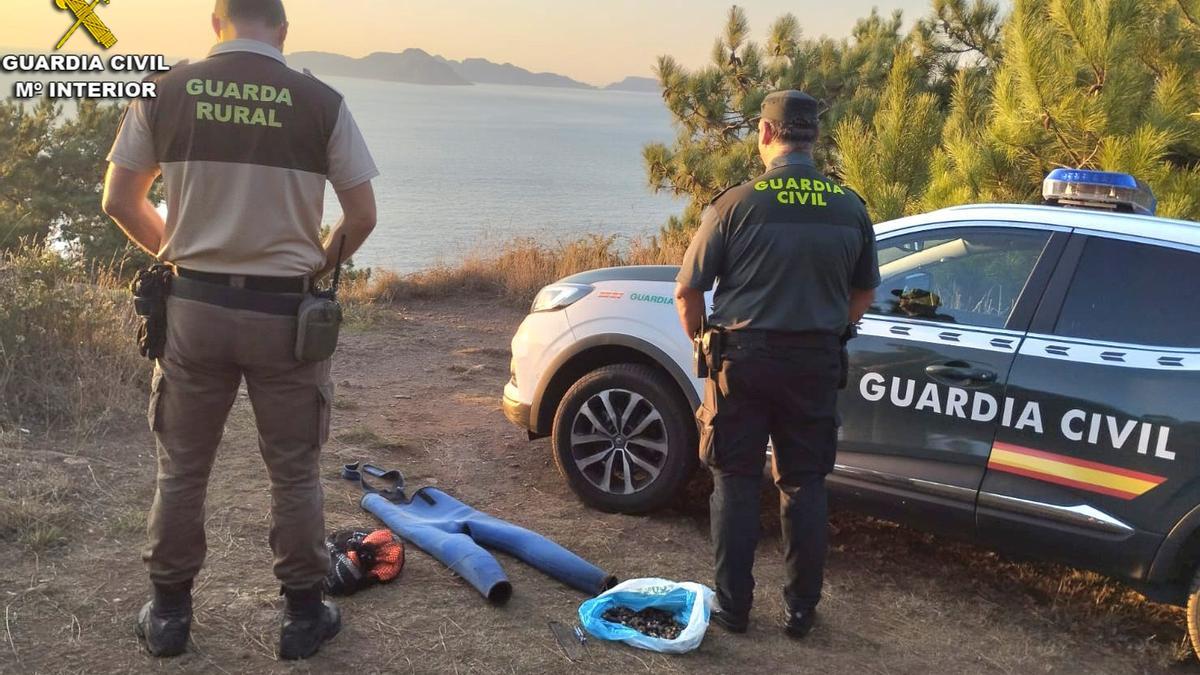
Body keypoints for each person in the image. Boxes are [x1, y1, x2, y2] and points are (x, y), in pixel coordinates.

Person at [101, 0, 378, 660]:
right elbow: (362, 214)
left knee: (183, 468)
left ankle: (168, 615)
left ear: (216, 24)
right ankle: (304, 617)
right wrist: (318, 265)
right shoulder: (321, 101)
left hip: (193, 310)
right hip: (287, 316)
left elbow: (118, 199)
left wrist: (178, 249)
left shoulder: (164, 92)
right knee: (294, 471)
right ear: (282, 29)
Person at [673, 90, 879, 639]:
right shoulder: (848, 207)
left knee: (736, 482)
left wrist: (700, 342)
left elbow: (688, 291)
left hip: (741, 363)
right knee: (805, 484)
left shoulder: (736, 204)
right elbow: (863, 292)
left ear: (765, 134)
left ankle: (735, 609)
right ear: (813, 137)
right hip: (815, 362)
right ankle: (800, 611)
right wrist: (838, 330)